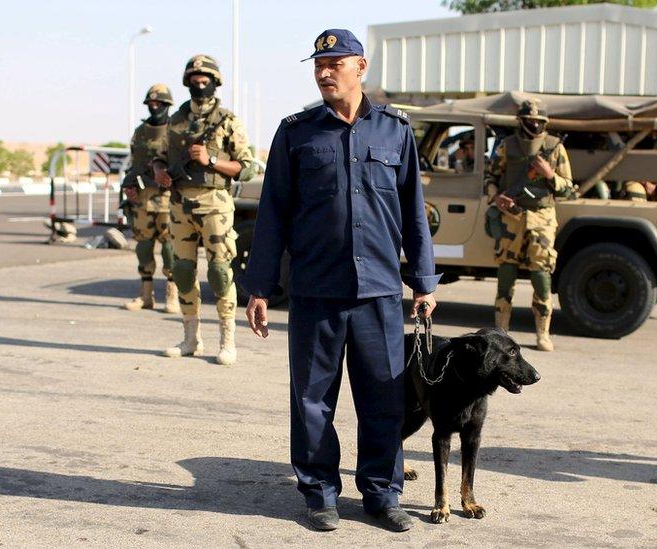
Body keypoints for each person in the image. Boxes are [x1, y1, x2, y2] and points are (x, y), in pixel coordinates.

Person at [241, 29, 439, 533]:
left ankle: (381, 493)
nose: (325, 72)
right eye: (318, 64)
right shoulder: (296, 132)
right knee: (312, 399)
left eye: (335, 63)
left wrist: (423, 281)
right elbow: (272, 215)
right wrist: (259, 286)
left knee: (384, 398)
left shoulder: (395, 130)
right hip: (315, 291)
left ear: (361, 67)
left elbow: (413, 211)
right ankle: (320, 494)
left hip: (378, 292)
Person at [152, 54, 255, 365]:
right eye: (194, 80)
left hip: (215, 203)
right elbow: (160, 156)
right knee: (182, 271)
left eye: (205, 79)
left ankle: (227, 340)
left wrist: (211, 161)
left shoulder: (228, 120)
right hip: (179, 202)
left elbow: (246, 168)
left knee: (221, 272)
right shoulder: (176, 120)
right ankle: (190, 338)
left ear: (215, 81)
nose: (200, 84)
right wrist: (159, 170)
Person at [484, 99, 574, 352]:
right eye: (530, 121)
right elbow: (491, 177)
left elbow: (568, 188)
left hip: (542, 218)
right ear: (521, 122)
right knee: (506, 273)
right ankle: (501, 333)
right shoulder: (506, 146)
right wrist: (496, 196)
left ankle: (543, 333)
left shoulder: (555, 148)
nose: (535, 125)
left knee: (541, 274)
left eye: (539, 121)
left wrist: (549, 175)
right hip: (511, 217)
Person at [121, 83, 178, 314]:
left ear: (167, 105)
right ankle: (146, 296)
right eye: (151, 103)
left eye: (159, 103)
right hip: (143, 198)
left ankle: (171, 296)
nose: (155, 106)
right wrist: (128, 185)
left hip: (167, 199)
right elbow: (134, 163)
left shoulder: (176, 130)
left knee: (169, 248)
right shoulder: (140, 132)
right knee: (143, 247)